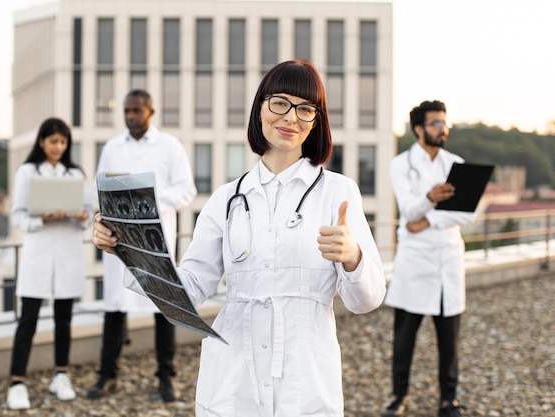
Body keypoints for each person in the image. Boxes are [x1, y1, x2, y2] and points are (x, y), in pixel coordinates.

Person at [93, 59, 387, 416]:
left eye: (305, 108)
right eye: (279, 102)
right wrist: (129, 247)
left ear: (317, 120)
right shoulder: (226, 199)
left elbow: (365, 301)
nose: (291, 117)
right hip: (232, 376)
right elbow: (188, 293)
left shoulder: (338, 193)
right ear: (260, 107)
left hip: (305, 377)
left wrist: (352, 256)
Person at [87, 89, 197, 402]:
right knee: (114, 308)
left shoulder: (170, 146)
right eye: (127, 111)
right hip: (119, 238)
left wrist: (148, 201)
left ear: (151, 111)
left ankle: (166, 377)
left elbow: (186, 190)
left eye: (136, 111)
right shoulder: (112, 146)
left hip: (154, 238)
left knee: (163, 307)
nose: (131, 117)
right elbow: (100, 187)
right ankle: (106, 375)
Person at [382, 100, 474, 417]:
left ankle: (449, 400)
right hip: (415, 264)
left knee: (449, 341)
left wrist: (429, 220)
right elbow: (408, 211)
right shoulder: (401, 164)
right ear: (419, 129)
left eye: (444, 123)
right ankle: (398, 397)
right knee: (404, 339)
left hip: (448, 261)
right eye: (435, 123)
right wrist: (429, 199)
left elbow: (466, 212)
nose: (442, 128)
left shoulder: (456, 163)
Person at [6, 117, 94, 410]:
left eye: (63, 141)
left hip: (67, 255)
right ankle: (17, 382)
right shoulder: (27, 172)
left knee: (64, 321)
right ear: (41, 141)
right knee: (27, 321)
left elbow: (89, 216)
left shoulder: (75, 173)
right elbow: (17, 216)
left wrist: (82, 217)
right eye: (53, 140)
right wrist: (40, 219)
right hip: (38, 256)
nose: (58, 146)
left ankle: (61, 375)